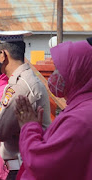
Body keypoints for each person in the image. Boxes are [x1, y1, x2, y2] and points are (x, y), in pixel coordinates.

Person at [0, 26, 51, 180]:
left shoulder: (21, 86)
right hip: (18, 166)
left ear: (2, 55)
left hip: (22, 167)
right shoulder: (17, 81)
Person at [14, 39, 92, 180]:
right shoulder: (78, 107)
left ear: (78, 72)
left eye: (58, 69)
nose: (54, 75)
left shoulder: (78, 120)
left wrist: (29, 127)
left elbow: (39, 163)